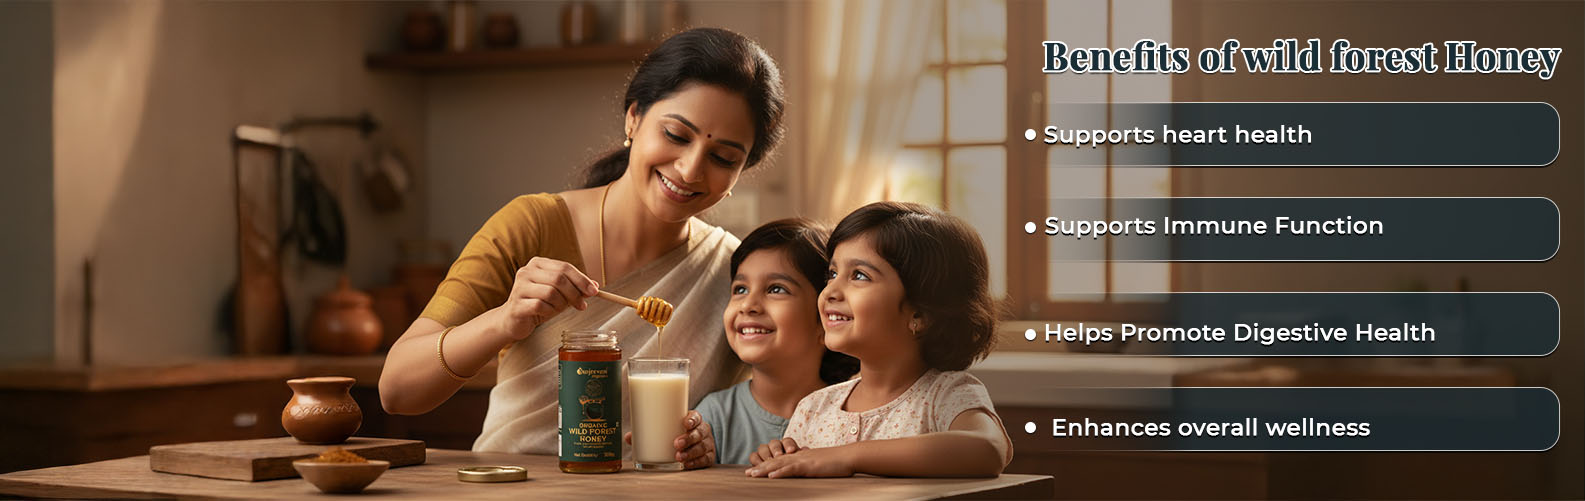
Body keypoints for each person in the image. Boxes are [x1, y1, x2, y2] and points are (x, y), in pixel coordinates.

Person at [377, 27, 787, 457]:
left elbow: (786, 404)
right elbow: (397, 391)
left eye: (723, 157)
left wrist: (707, 441)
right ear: (634, 118)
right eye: (676, 135)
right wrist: (504, 321)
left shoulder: (735, 275)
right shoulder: (532, 226)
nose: (689, 169)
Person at [746, 202, 1012, 478]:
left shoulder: (945, 395)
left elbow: (989, 449)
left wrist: (847, 456)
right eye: (832, 274)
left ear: (921, 314)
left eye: (859, 275)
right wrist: (779, 460)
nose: (830, 292)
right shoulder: (814, 407)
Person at [664, 219, 860, 467]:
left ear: (826, 317)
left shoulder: (856, 413)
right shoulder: (715, 416)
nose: (748, 305)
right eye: (740, 289)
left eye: (776, 289)